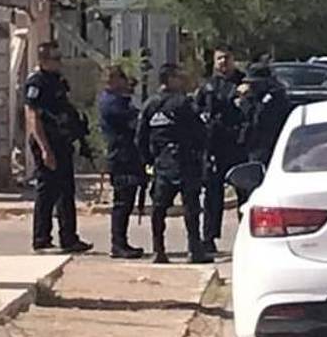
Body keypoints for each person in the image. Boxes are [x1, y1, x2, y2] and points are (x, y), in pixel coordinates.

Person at [137, 63, 212, 265]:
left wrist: (148, 161)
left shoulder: (149, 105)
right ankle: (194, 251)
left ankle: (158, 250)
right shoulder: (183, 103)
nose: (182, 80)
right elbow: (200, 132)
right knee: (191, 207)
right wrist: (200, 154)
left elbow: (140, 138)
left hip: (162, 164)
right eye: (178, 77)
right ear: (169, 79)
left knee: (159, 209)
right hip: (185, 161)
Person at [25, 42, 94, 254]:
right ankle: (41, 238)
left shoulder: (57, 81)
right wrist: (45, 148)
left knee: (66, 190)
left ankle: (69, 238)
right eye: (55, 59)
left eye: (59, 57)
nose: (59, 62)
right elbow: (32, 115)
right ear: (43, 61)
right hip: (47, 141)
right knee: (47, 191)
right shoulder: (36, 82)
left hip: (62, 141)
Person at [194, 47, 246, 254]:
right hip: (214, 145)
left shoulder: (245, 82)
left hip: (239, 145)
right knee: (212, 195)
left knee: (245, 193)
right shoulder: (207, 85)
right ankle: (209, 238)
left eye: (227, 57)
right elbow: (197, 111)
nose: (224, 61)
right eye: (219, 58)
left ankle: (246, 237)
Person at [97, 64, 146, 259]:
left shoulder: (120, 100)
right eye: (121, 78)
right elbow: (133, 122)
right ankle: (118, 244)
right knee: (122, 202)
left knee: (127, 201)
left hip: (129, 155)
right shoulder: (111, 102)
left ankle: (122, 242)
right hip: (121, 157)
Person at [237, 63, 293, 178]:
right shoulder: (258, 97)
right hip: (254, 146)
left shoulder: (273, 98)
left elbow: (259, 118)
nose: (251, 87)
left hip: (267, 145)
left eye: (253, 84)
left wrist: (245, 103)